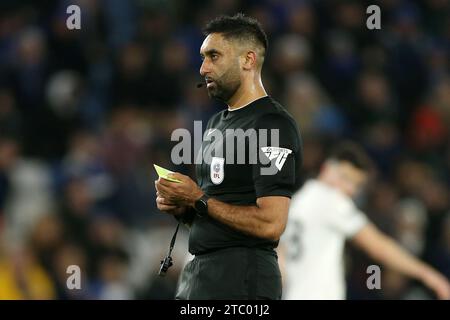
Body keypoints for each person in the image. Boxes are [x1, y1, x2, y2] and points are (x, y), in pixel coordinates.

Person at [155, 13, 302, 299]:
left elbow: (271, 224)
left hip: (242, 280)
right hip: (200, 275)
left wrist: (198, 198)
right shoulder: (215, 125)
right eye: (202, 57)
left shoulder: (272, 124)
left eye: (213, 56)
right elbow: (215, 210)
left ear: (247, 60)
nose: (203, 68)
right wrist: (183, 207)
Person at [279, 142, 450, 300]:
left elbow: (280, 261)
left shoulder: (296, 203)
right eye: (346, 178)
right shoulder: (331, 200)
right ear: (327, 168)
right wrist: (426, 274)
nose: (350, 189)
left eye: (356, 184)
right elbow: (378, 246)